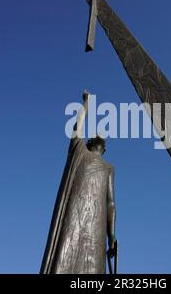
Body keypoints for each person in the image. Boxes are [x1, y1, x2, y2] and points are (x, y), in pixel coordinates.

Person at [41, 91, 116, 274]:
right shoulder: (89, 157)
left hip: (83, 231)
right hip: (85, 230)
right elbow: (111, 203)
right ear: (101, 148)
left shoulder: (91, 158)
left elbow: (77, 127)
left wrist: (86, 104)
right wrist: (111, 236)